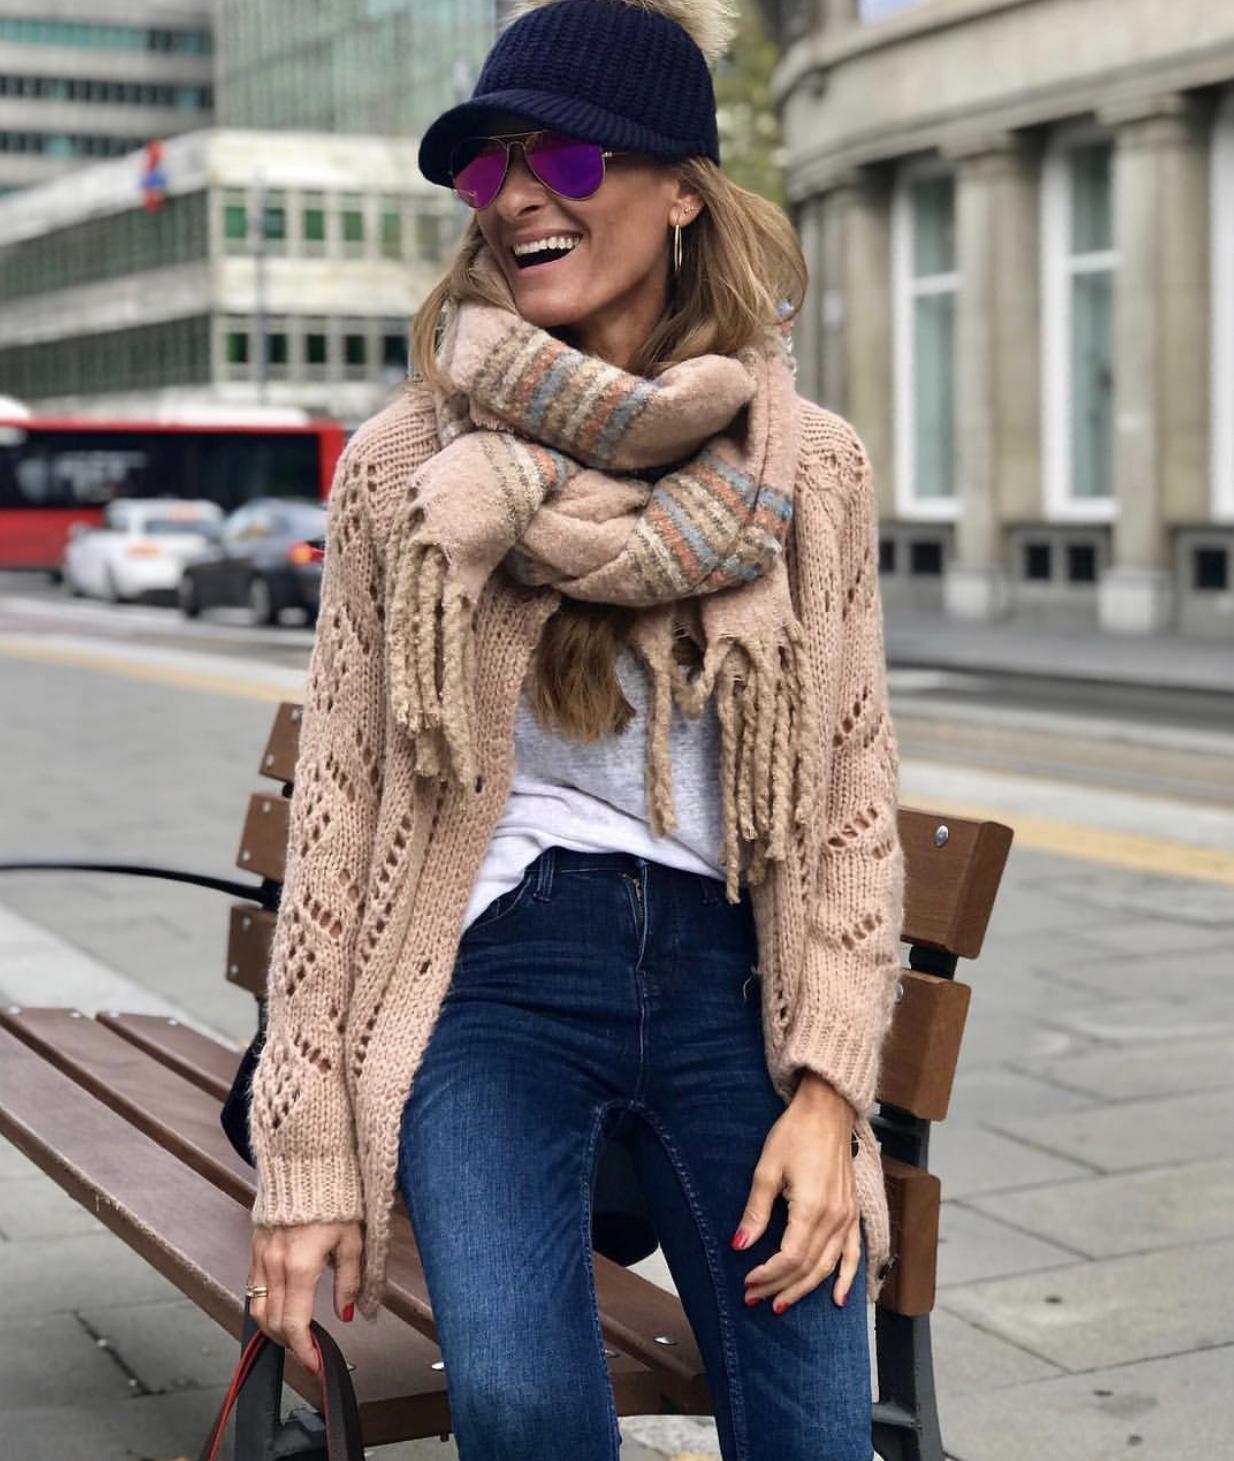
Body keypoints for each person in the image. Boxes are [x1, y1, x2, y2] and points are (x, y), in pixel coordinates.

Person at [245, 2, 907, 1457]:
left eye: (568, 157)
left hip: (735, 982)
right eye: (491, 166)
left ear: (682, 192)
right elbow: (340, 808)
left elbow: (850, 796)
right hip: (492, 978)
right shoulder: (406, 469)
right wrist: (303, 1154)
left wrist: (827, 1092)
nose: (516, 196)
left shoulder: (809, 470)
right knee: (523, 1402)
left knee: (815, 1432)